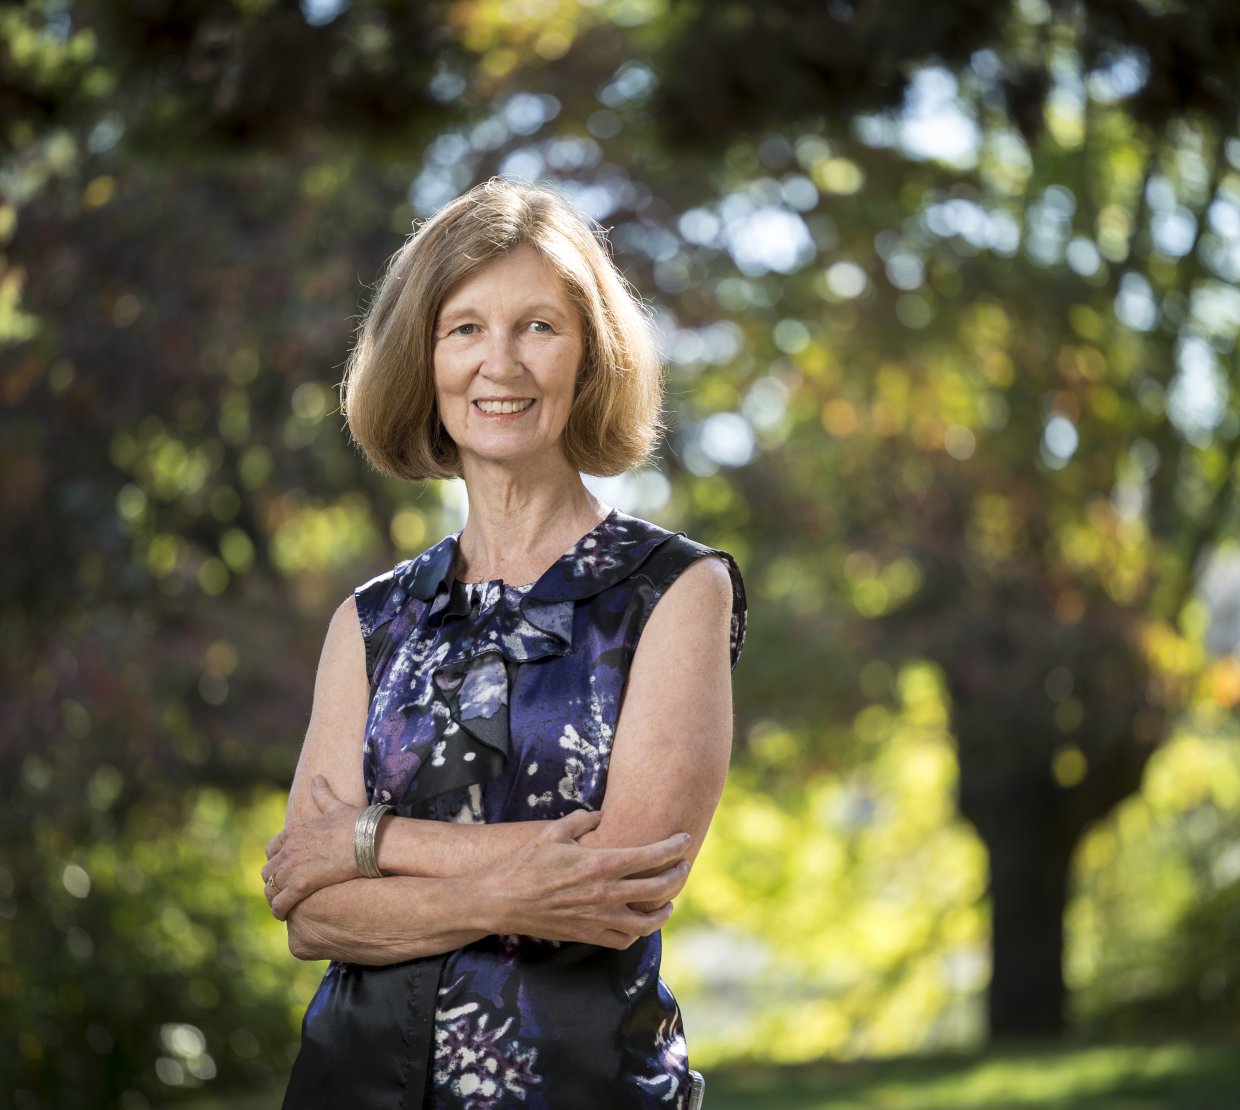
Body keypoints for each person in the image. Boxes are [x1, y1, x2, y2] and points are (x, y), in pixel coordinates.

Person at [261, 178, 746, 1109]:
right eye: (465, 329)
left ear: (589, 357)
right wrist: (510, 892)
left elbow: (620, 888)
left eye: (538, 327)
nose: (501, 364)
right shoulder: (371, 621)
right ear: (424, 360)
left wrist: (368, 841)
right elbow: (311, 914)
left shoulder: (674, 591)